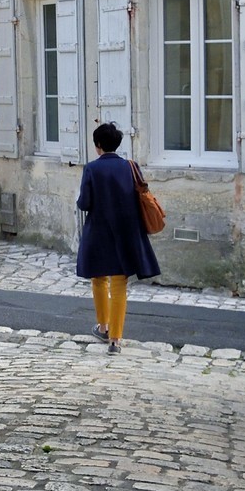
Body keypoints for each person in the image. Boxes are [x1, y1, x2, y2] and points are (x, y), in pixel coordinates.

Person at [75, 121, 161, 354]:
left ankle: (103, 326)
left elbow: (84, 203)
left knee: (99, 279)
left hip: (99, 231)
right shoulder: (130, 167)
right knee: (119, 283)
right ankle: (116, 340)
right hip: (126, 231)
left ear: (98, 145)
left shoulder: (91, 169)